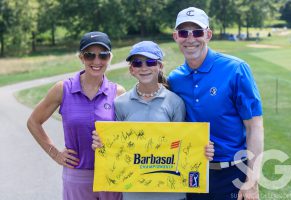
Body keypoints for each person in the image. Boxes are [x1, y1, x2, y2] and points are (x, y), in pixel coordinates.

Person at [92, 41, 214, 200]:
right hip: (134, 193)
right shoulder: (120, 103)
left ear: (160, 66)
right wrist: (101, 145)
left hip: (171, 194)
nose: (144, 67)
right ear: (131, 69)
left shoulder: (175, 102)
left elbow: (182, 146)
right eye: (137, 63)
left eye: (150, 62)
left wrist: (201, 149)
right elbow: (117, 148)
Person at [168, 7, 264, 200]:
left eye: (197, 32)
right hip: (192, 174)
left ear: (208, 34)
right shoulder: (175, 79)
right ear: (175, 37)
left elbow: (254, 126)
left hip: (233, 172)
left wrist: (252, 181)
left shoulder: (236, 69)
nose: (190, 38)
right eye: (183, 32)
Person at [27, 31, 125, 200]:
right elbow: (33, 122)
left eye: (103, 55)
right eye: (89, 55)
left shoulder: (118, 92)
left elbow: (128, 136)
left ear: (110, 57)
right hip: (77, 176)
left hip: (112, 173)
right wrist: (55, 153)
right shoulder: (62, 89)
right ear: (81, 57)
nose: (96, 61)